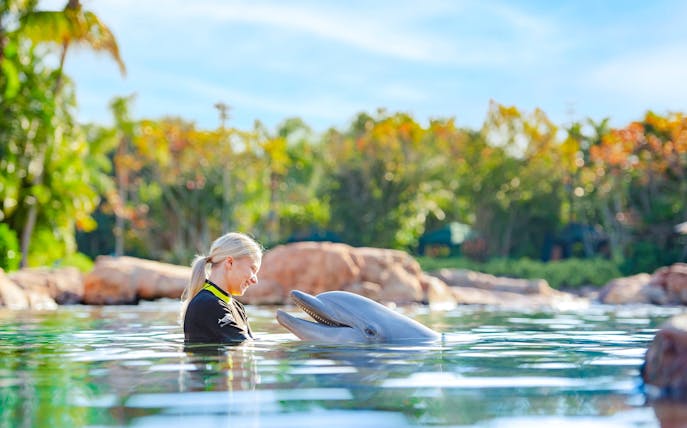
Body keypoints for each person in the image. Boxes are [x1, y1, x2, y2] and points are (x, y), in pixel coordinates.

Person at [181, 232, 263, 344]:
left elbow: (248, 344)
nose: (255, 280)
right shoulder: (207, 304)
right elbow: (243, 345)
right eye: (252, 269)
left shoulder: (237, 307)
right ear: (230, 262)